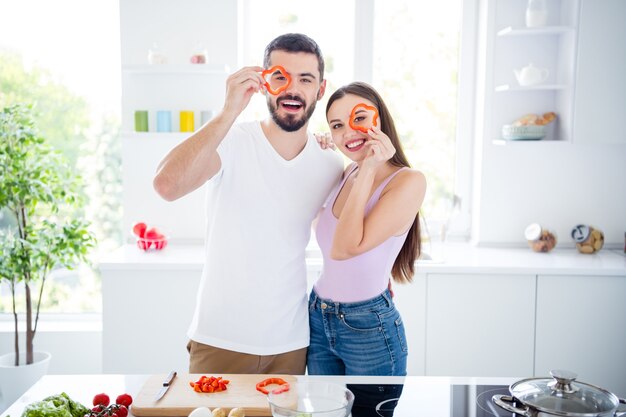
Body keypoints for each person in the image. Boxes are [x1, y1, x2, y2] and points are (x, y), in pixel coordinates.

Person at [153, 33, 344, 375]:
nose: (293, 89)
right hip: (220, 341)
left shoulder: (330, 163)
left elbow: (337, 238)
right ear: (263, 81)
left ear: (320, 88)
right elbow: (166, 185)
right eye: (281, 77)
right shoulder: (233, 141)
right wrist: (229, 110)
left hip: (292, 344)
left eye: (306, 79)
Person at [307, 81, 427, 376]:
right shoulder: (348, 172)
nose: (348, 132)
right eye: (336, 126)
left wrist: (370, 167)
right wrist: (318, 155)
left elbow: (344, 248)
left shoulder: (409, 181)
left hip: (368, 327)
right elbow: (318, 223)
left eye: (358, 118)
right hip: (318, 316)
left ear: (380, 120)